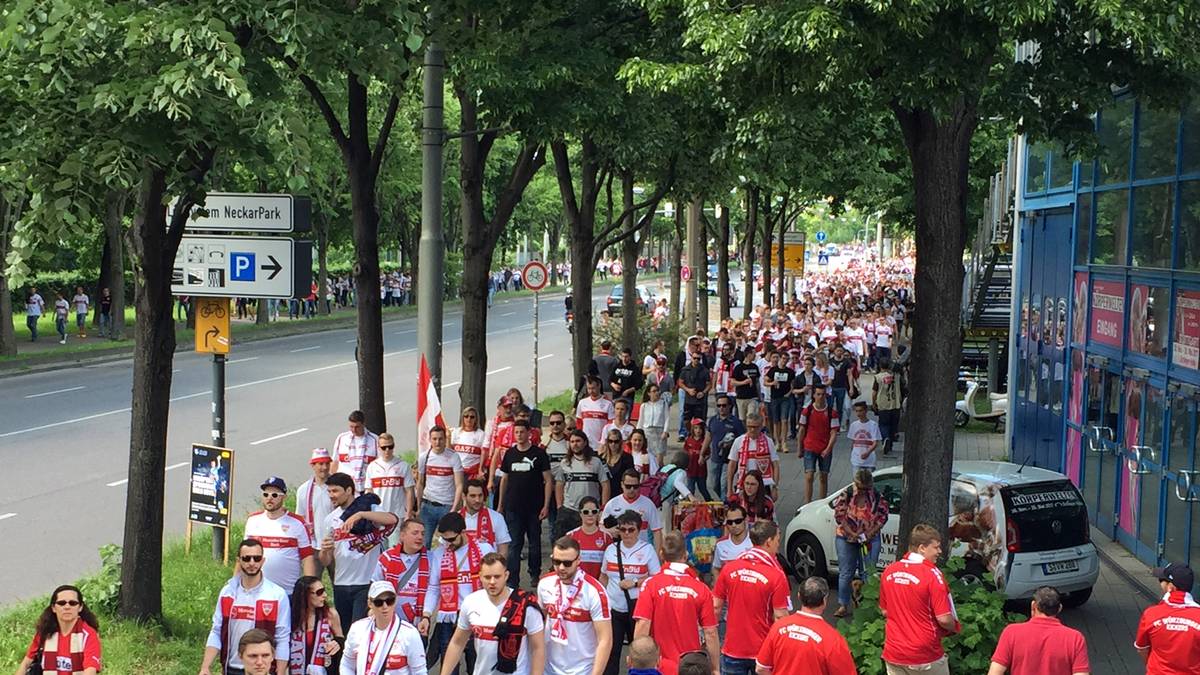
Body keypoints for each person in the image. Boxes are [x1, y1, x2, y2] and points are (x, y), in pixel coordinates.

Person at [438, 553, 546, 675]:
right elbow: (457, 643)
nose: (492, 582)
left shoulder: (525, 606)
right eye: (487, 577)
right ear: (480, 577)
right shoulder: (471, 602)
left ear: (506, 576)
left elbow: (538, 649)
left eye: (497, 576)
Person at [319, 472, 401, 633]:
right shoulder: (330, 519)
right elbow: (325, 561)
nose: (331, 496)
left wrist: (360, 515)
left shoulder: (369, 508)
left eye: (335, 491)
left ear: (349, 490)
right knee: (344, 632)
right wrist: (325, 551)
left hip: (366, 583)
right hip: (341, 584)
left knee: (361, 631)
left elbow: (392, 520)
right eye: (329, 492)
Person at [633, 532, 719, 675]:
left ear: (661, 554)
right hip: (692, 667)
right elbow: (710, 632)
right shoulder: (701, 588)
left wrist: (638, 665)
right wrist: (715, 668)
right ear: (685, 555)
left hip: (659, 666)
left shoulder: (651, 584)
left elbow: (643, 625)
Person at [201, 539, 291, 675]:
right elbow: (216, 630)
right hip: (231, 668)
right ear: (239, 561)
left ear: (263, 560)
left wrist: (281, 671)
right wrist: (205, 667)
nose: (252, 563)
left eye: (257, 558)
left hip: (262, 669)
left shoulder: (277, 595)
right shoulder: (228, 593)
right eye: (247, 558)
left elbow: (282, 637)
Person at [879, 524, 960, 675]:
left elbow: (885, 611)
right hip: (925, 655)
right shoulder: (932, 574)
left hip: (894, 652)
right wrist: (954, 627)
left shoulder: (889, 571)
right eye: (936, 547)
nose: (939, 552)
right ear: (922, 548)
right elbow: (943, 619)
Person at [713, 521, 791, 675]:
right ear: (768, 542)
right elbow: (781, 617)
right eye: (777, 540)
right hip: (763, 652)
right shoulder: (776, 575)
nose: (778, 545)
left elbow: (715, 606)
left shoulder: (730, 568)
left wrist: (712, 638)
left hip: (732, 648)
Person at [428, 513, 495, 675]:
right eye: (444, 539)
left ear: (463, 532)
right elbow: (433, 587)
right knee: (449, 666)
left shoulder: (484, 550)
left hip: (477, 616)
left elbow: (496, 583)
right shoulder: (439, 553)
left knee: (477, 666)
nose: (447, 544)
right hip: (449, 618)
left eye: (451, 539)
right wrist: (426, 614)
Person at [537, 537, 613, 675]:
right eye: (556, 562)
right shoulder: (544, 584)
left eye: (567, 563)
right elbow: (539, 622)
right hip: (548, 668)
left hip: (582, 670)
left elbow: (605, 639)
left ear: (578, 561)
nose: (561, 568)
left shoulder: (595, 592)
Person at [600, 511, 661, 675]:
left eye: (631, 530)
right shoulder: (611, 550)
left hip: (637, 609)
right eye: (623, 529)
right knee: (611, 652)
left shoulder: (647, 549)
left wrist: (635, 583)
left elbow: (656, 579)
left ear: (638, 530)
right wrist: (601, 600)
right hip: (614, 609)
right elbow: (604, 576)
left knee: (639, 653)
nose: (626, 533)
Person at [754, 576, 856, 675]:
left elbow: (761, 668)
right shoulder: (833, 640)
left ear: (799, 596)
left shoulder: (778, 627)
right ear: (825, 600)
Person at [495, 419, 553, 588]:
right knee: (514, 545)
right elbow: (504, 479)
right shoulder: (510, 454)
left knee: (534, 543)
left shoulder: (539, 454)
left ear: (529, 433)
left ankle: (534, 573)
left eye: (522, 432)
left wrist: (546, 505)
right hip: (513, 507)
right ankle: (513, 580)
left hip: (534, 508)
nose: (519, 435)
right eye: (517, 432)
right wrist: (500, 505)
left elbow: (548, 480)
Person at [987, 586, 1089, 675]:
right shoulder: (1075, 638)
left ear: (1033, 605)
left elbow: (995, 672)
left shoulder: (1011, 633)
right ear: (1059, 608)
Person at [831, 468, 889, 617]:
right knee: (846, 572)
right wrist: (852, 533)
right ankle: (843, 604)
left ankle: (867, 604)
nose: (863, 491)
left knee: (869, 572)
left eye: (866, 488)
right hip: (847, 537)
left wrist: (870, 533)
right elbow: (839, 516)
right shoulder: (847, 494)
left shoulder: (876, 496)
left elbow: (883, 517)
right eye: (861, 488)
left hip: (869, 537)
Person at [244, 476, 316, 593]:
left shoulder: (297, 523)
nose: (269, 498)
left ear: (284, 497)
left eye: (275, 495)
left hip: (288, 592)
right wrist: (235, 583)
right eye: (266, 495)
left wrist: (310, 590)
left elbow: (307, 557)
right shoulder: (253, 521)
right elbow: (243, 556)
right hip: (258, 591)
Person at [341, 580, 428, 675]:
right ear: (370, 604)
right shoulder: (357, 629)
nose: (385, 606)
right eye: (379, 602)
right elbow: (347, 663)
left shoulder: (410, 633)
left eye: (390, 601)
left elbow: (420, 671)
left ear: (395, 601)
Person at [16, 585, 102, 675]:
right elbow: (26, 663)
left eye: (73, 603)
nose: (67, 607)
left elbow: (90, 670)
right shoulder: (45, 632)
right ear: (53, 608)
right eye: (61, 603)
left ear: (80, 607)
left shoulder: (89, 635)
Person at [373, 519, 436, 635]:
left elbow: (433, 589)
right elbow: (376, 586)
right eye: (415, 533)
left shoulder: (432, 559)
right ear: (402, 536)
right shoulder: (387, 557)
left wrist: (426, 616)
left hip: (417, 622)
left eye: (422, 534)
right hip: (388, 620)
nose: (420, 537)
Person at [1134, 562, 1200, 673]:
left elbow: (1141, 648)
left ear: (1171, 587)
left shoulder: (1151, 614)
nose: (1160, 583)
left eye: (1162, 580)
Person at [554, 430, 611, 537]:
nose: (575, 444)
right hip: (569, 510)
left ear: (585, 442)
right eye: (572, 441)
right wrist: (559, 506)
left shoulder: (596, 462)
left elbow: (605, 484)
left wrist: (603, 508)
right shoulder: (565, 462)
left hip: (590, 512)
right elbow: (559, 484)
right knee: (564, 543)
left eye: (578, 441)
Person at [416, 426, 465, 548]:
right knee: (424, 542)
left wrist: (454, 508)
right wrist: (418, 506)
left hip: (446, 506)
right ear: (430, 440)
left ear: (445, 439)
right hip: (428, 505)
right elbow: (420, 482)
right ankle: (424, 566)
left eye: (440, 439)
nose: (437, 442)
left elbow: (459, 484)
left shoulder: (453, 457)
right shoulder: (424, 457)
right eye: (434, 439)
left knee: (448, 542)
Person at [366, 432, 415, 547]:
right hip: (379, 517)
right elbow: (369, 492)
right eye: (384, 447)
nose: (387, 450)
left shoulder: (403, 466)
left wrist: (408, 513)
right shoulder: (372, 467)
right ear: (379, 448)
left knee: (395, 549)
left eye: (390, 447)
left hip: (397, 516)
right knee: (380, 550)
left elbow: (409, 491)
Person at [289, 575, 343, 675]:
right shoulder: (290, 617)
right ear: (305, 595)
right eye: (319, 592)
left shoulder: (331, 614)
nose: (325, 595)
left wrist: (336, 644)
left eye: (324, 590)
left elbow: (341, 642)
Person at [797, 385, 839, 504]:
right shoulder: (807, 411)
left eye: (823, 394)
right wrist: (800, 448)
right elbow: (802, 430)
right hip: (810, 447)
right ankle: (807, 503)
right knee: (809, 476)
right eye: (818, 394)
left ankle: (821, 503)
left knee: (823, 477)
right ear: (814, 395)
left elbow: (834, 432)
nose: (820, 397)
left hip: (825, 448)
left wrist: (828, 449)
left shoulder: (832, 412)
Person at [602, 470, 665, 549]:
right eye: (628, 486)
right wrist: (611, 531)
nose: (632, 489)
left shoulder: (648, 504)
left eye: (635, 487)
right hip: (618, 550)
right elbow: (601, 528)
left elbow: (657, 531)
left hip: (642, 551)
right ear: (622, 484)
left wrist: (658, 555)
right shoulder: (612, 504)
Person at [727, 413, 780, 501]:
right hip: (744, 483)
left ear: (761, 426)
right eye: (749, 426)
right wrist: (729, 489)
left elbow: (775, 465)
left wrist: (775, 488)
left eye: (755, 427)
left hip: (763, 484)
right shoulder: (739, 441)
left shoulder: (768, 442)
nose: (752, 430)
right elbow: (732, 465)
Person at [703, 396, 745, 501]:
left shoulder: (736, 422)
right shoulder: (712, 420)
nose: (721, 408)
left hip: (729, 460)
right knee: (713, 484)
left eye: (724, 405)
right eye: (719, 405)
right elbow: (708, 437)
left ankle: (724, 506)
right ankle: (725, 500)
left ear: (729, 406)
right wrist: (701, 453)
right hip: (715, 458)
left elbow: (742, 440)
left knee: (724, 485)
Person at [460, 478, 511, 556]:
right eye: (473, 496)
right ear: (464, 496)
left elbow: (503, 550)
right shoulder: (455, 519)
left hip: (488, 566)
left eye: (480, 495)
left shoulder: (497, 517)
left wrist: (497, 567)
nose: (477, 500)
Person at [332, 410, 380, 492]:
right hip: (344, 487)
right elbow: (334, 463)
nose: (354, 430)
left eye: (357, 427)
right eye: (351, 427)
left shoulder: (374, 440)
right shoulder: (342, 438)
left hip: (365, 487)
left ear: (363, 424)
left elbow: (379, 465)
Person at [568, 496, 613, 580]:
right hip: (577, 584)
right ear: (580, 513)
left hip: (598, 584)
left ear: (598, 513)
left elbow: (609, 565)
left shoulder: (606, 537)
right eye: (586, 512)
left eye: (594, 511)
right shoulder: (571, 536)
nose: (590, 514)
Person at [873, 361, 905, 456]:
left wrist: (874, 403)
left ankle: (885, 438)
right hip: (895, 404)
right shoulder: (897, 377)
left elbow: (874, 392)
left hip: (883, 405)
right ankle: (890, 444)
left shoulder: (878, 377)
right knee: (893, 426)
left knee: (883, 424)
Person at [576, 377, 616, 449]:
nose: (591, 391)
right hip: (585, 444)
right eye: (589, 388)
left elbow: (611, 424)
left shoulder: (608, 404)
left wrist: (604, 439)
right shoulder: (582, 403)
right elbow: (579, 423)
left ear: (599, 386)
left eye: (593, 388)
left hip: (601, 444)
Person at [711, 503, 751, 575]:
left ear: (746, 520)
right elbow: (716, 568)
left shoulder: (756, 542)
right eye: (730, 522)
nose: (734, 525)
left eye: (738, 521)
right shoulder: (720, 544)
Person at [763, 352, 794, 444]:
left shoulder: (790, 371)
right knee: (776, 421)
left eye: (786, 359)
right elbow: (765, 382)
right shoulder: (773, 370)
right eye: (783, 358)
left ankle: (784, 441)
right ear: (780, 359)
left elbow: (793, 384)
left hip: (785, 398)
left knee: (784, 420)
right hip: (774, 397)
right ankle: (777, 441)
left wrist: (789, 393)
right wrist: (772, 383)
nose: (784, 361)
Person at [677, 351, 712, 431]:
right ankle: (690, 433)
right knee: (686, 420)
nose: (696, 360)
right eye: (694, 358)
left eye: (698, 358)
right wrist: (688, 390)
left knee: (699, 421)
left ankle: (699, 436)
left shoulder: (704, 370)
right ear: (691, 358)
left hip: (700, 400)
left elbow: (709, 384)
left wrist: (703, 392)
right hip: (689, 399)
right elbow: (680, 382)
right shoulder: (685, 370)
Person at [452, 407, 489, 481]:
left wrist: (480, 469)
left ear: (476, 419)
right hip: (457, 470)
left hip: (472, 472)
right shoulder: (456, 432)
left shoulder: (481, 434)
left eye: (472, 417)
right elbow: (450, 450)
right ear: (462, 418)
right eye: (466, 416)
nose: (469, 419)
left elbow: (484, 452)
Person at [640, 382, 672, 462]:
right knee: (648, 458)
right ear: (649, 393)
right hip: (647, 432)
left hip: (659, 432)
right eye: (654, 391)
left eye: (657, 391)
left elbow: (667, 418)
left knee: (659, 459)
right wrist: (638, 432)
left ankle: (660, 473)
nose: (656, 393)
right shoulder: (644, 405)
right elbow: (641, 420)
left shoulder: (663, 404)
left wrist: (665, 431)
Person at [847, 401, 882, 472]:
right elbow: (853, 442)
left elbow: (875, 443)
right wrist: (852, 454)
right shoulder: (853, 425)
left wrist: (868, 452)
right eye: (856, 411)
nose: (858, 413)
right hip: (856, 460)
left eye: (860, 411)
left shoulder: (873, 425)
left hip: (869, 461)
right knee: (857, 481)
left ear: (865, 411)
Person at [730, 348, 762, 421]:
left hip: (753, 397)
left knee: (751, 416)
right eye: (754, 354)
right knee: (742, 419)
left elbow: (757, 382)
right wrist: (743, 382)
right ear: (749, 354)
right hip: (741, 397)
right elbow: (732, 382)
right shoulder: (739, 367)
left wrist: (759, 396)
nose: (755, 356)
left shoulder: (755, 367)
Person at [683, 418, 711, 500]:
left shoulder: (704, 442)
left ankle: (709, 502)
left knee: (702, 488)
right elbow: (684, 453)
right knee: (690, 489)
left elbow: (708, 454)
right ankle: (689, 504)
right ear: (692, 429)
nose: (698, 430)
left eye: (700, 428)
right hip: (690, 469)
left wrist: (703, 459)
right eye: (696, 428)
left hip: (701, 471)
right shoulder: (689, 440)